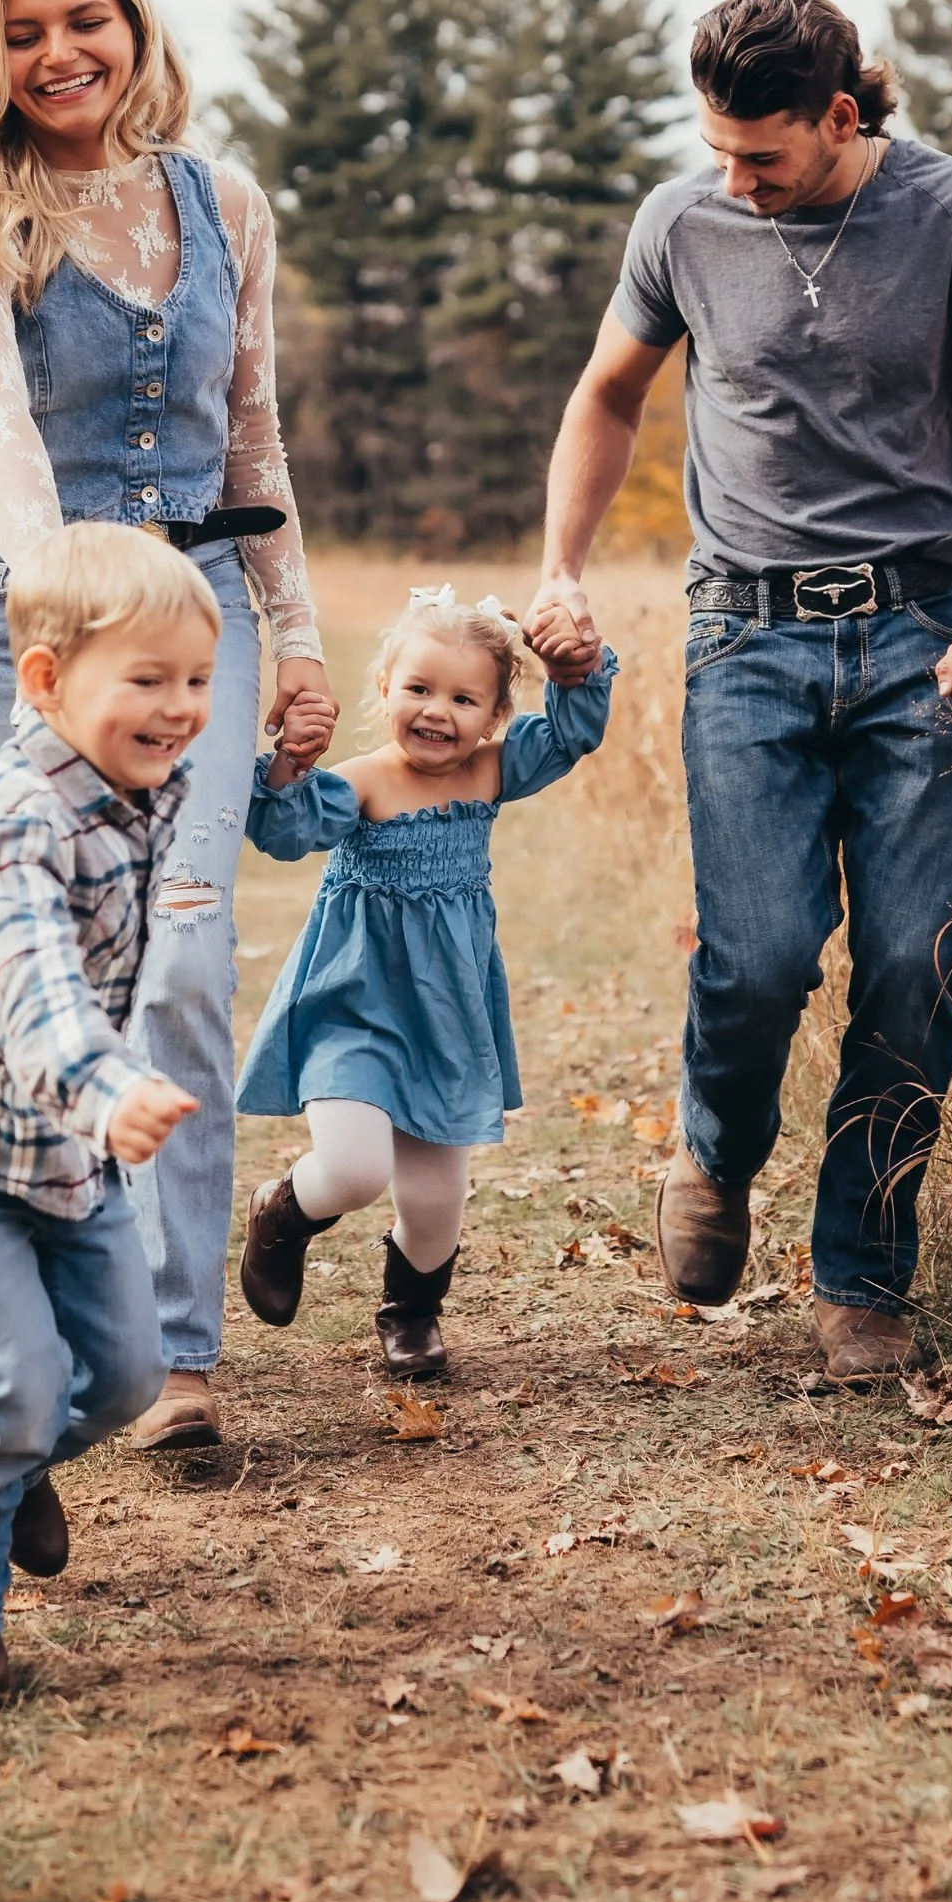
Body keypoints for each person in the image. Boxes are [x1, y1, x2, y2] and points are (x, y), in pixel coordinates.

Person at [525, 0, 952, 1383]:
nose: (735, 178)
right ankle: (716, 1147)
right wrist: (562, 565)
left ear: (842, 116)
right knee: (760, 956)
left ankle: (862, 1278)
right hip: (746, 639)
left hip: (925, 643)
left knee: (917, 966)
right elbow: (608, 393)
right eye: (717, 147)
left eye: (762, 155)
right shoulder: (680, 225)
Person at [0, 0, 338, 1456]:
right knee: (42, 978)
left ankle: (173, 1347)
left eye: (87, 19)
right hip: (21, 625)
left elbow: (252, 441)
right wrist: (78, 653)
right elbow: (9, 471)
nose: (60, 52)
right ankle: (35, 1355)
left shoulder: (226, 205)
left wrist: (300, 641)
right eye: (24, 32)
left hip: (199, 612)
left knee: (184, 964)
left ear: (133, 28)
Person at [0, 526, 220, 1710]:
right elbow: (34, 990)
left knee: (121, 1380)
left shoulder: (132, 784)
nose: (180, 710)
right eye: (149, 681)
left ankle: (4, 1470)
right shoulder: (15, 815)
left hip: (61, 1151)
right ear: (47, 681)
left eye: (197, 682)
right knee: (10, 1382)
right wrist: (110, 1087)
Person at [232, 586, 617, 1383]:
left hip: (445, 1015)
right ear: (384, 691)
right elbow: (281, 830)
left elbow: (576, 732)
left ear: (494, 714)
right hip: (356, 1005)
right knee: (355, 1168)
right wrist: (289, 766)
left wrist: (570, 668)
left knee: (438, 1204)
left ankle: (410, 1311)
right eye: (418, 689)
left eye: (463, 697)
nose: (437, 711)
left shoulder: (490, 773)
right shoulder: (364, 781)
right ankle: (282, 1212)